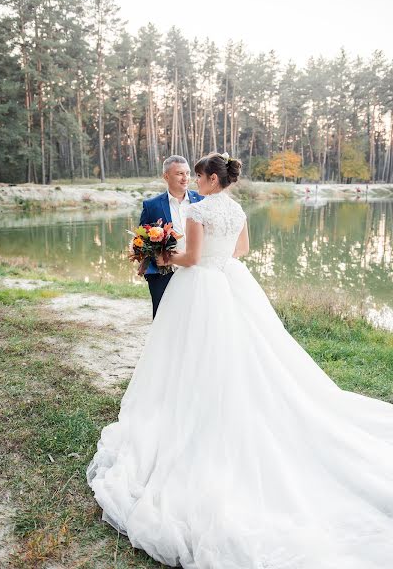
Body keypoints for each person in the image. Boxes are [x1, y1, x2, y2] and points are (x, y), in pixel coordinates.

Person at [87, 152, 393, 569]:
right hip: (229, 282)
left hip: (199, 287)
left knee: (188, 352)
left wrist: (163, 257)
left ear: (212, 178)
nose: (195, 182)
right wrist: (209, 255)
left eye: (198, 175)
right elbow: (242, 249)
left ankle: (189, 409)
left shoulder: (197, 208)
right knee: (245, 352)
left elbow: (191, 259)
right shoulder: (236, 207)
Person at [139, 155, 203, 318]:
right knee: (163, 321)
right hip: (163, 274)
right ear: (166, 176)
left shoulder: (202, 201)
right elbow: (141, 241)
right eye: (179, 173)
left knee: (194, 319)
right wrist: (156, 259)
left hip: (196, 272)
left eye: (188, 173)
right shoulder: (151, 205)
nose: (185, 178)